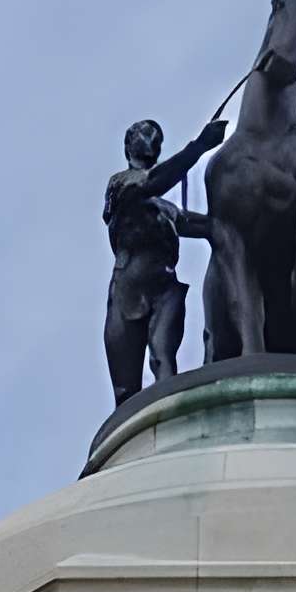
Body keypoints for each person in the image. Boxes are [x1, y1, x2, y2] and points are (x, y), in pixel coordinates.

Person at [103, 116, 227, 406]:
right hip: (127, 289)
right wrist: (199, 146)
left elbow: (210, 226)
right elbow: (155, 182)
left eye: (157, 137)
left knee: (163, 357)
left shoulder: (166, 209)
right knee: (125, 391)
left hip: (164, 287)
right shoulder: (121, 184)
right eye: (145, 134)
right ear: (128, 144)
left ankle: (169, 412)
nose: (152, 141)